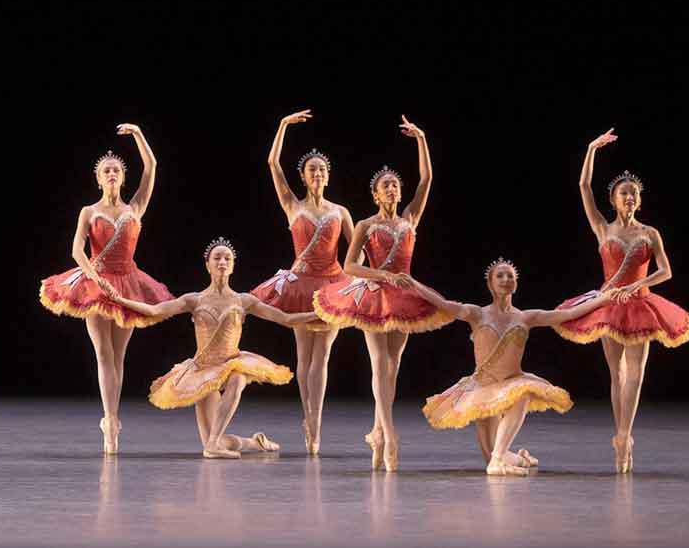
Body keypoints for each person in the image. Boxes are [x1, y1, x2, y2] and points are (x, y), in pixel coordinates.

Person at [312, 117, 451, 470]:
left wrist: (421, 139)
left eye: (395, 186)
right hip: (375, 296)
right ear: (375, 194)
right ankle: (389, 436)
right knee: (379, 365)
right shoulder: (365, 225)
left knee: (393, 366)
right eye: (385, 186)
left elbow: (427, 179)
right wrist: (381, 275)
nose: (392, 189)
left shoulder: (409, 221)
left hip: (403, 298)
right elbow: (349, 266)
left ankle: (376, 431)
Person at [554, 129, 689, 473]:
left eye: (633, 193)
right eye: (623, 193)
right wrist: (590, 149)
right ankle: (620, 433)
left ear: (639, 201)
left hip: (641, 304)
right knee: (616, 374)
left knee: (636, 374)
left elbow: (666, 271)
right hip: (609, 306)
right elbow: (584, 187)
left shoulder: (650, 233)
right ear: (613, 200)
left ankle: (625, 436)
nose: (628, 197)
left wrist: (638, 285)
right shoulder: (604, 229)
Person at [110, 239, 316, 458]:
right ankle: (254, 443)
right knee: (211, 437)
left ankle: (214, 446)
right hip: (204, 369)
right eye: (217, 258)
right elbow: (154, 311)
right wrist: (118, 299)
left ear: (234, 265)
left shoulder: (244, 300)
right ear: (207, 265)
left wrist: (318, 314)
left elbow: (286, 318)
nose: (222, 262)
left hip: (231, 362)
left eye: (227, 258)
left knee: (238, 378)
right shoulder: (194, 300)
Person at [38, 124, 173, 454]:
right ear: (99, 179)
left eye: (116, 170)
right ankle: (109, 421)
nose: (111, 173)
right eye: (106, 170)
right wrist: (94, 278)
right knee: (103, 353)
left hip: (127, 283)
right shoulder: (89, 211)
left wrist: (139, 134)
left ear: (122, 178)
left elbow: (152, 167)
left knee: (119, 355)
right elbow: (76, 250)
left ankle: (114, 417)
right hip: (96, 283)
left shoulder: (135, 208)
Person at [413, 260, 606, 476]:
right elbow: (444, 304)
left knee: (523, 392)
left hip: (512, 381)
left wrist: (604, 298)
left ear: (516, 283)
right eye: (500, 276)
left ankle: (498, 461)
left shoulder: (526, 317)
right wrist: (413, 284)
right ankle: (517, 458)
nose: (506, 280)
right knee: (493, 452)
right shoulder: (476, 314)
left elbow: (568, 315)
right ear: (490, 284)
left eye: (510, 276)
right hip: (483, 389)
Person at [249, 109, 354, 454]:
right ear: (305, 177)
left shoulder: (340, 212)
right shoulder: (292, 206)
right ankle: (306, 418)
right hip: (300, 285)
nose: (319, 174)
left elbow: (357, 249)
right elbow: (272, 165)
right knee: (304, 354)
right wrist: (281, 126)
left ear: (328, 175)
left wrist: (352, 279)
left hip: (331, 283)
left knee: (321, 356)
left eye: (323, 169)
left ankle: (315, 426)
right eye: (313, 170)